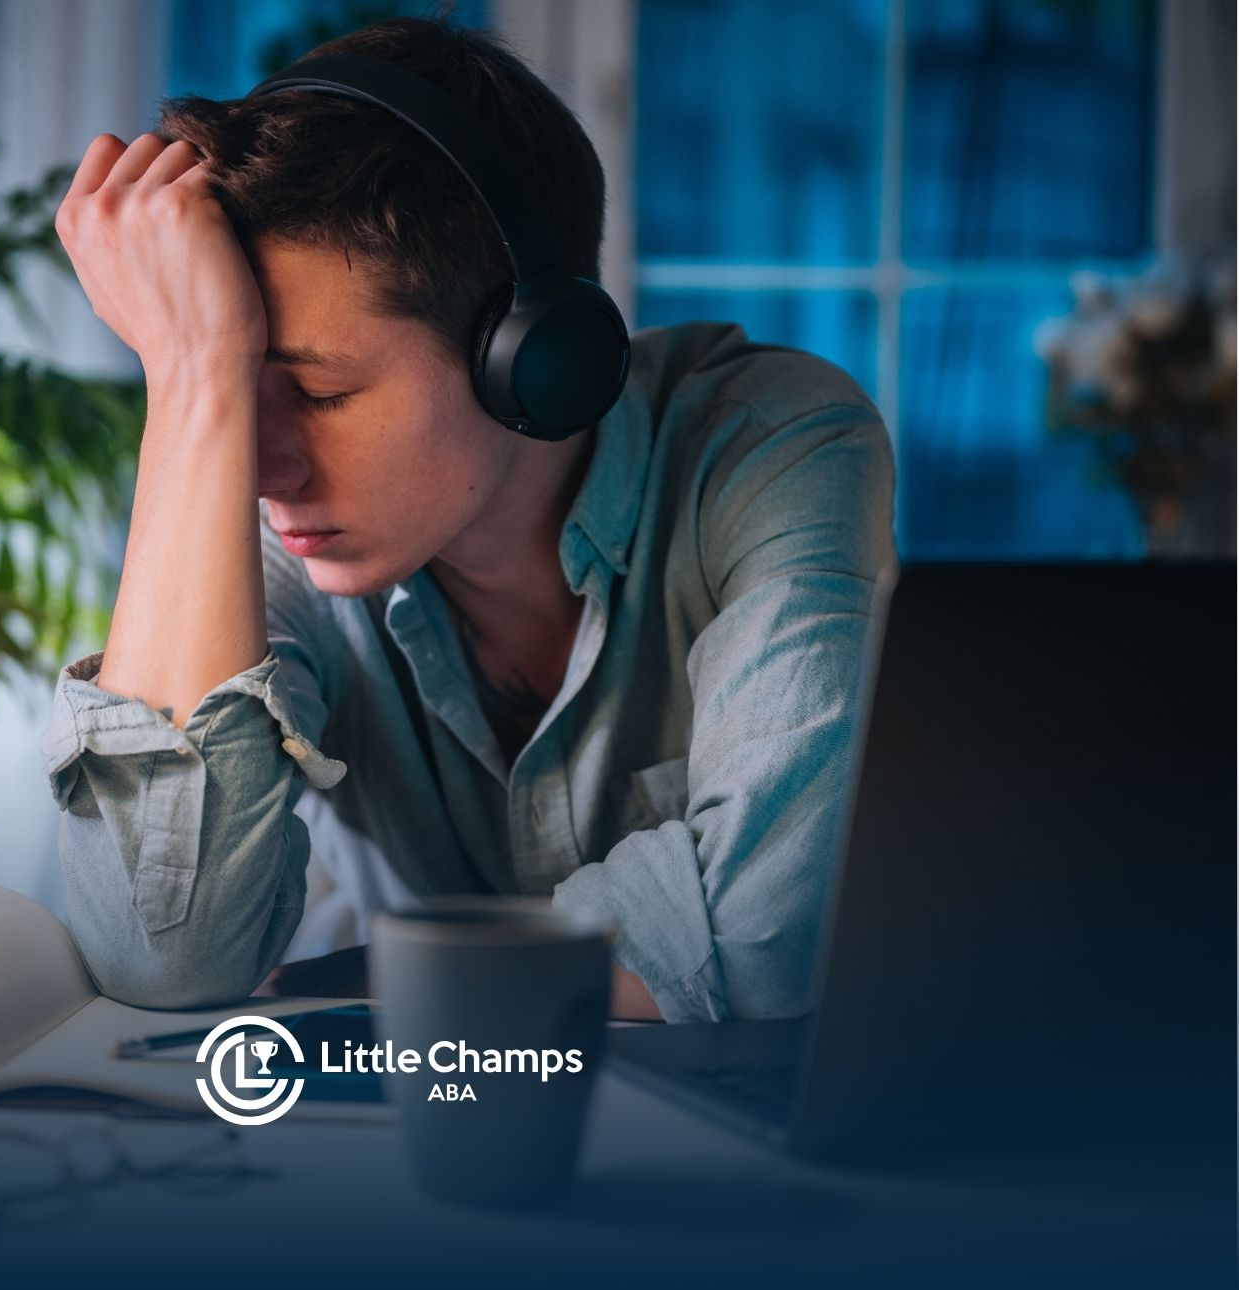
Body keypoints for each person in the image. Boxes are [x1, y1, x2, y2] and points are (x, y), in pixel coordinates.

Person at [43, 16, 896, 1022]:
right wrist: (190, 379)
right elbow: (160, 959)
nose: (264, 472)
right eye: (238, 396)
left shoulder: (769, 443)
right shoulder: (282, 536)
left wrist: (381, 979)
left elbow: (769, 936)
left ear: (534, 358)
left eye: (316, 397)